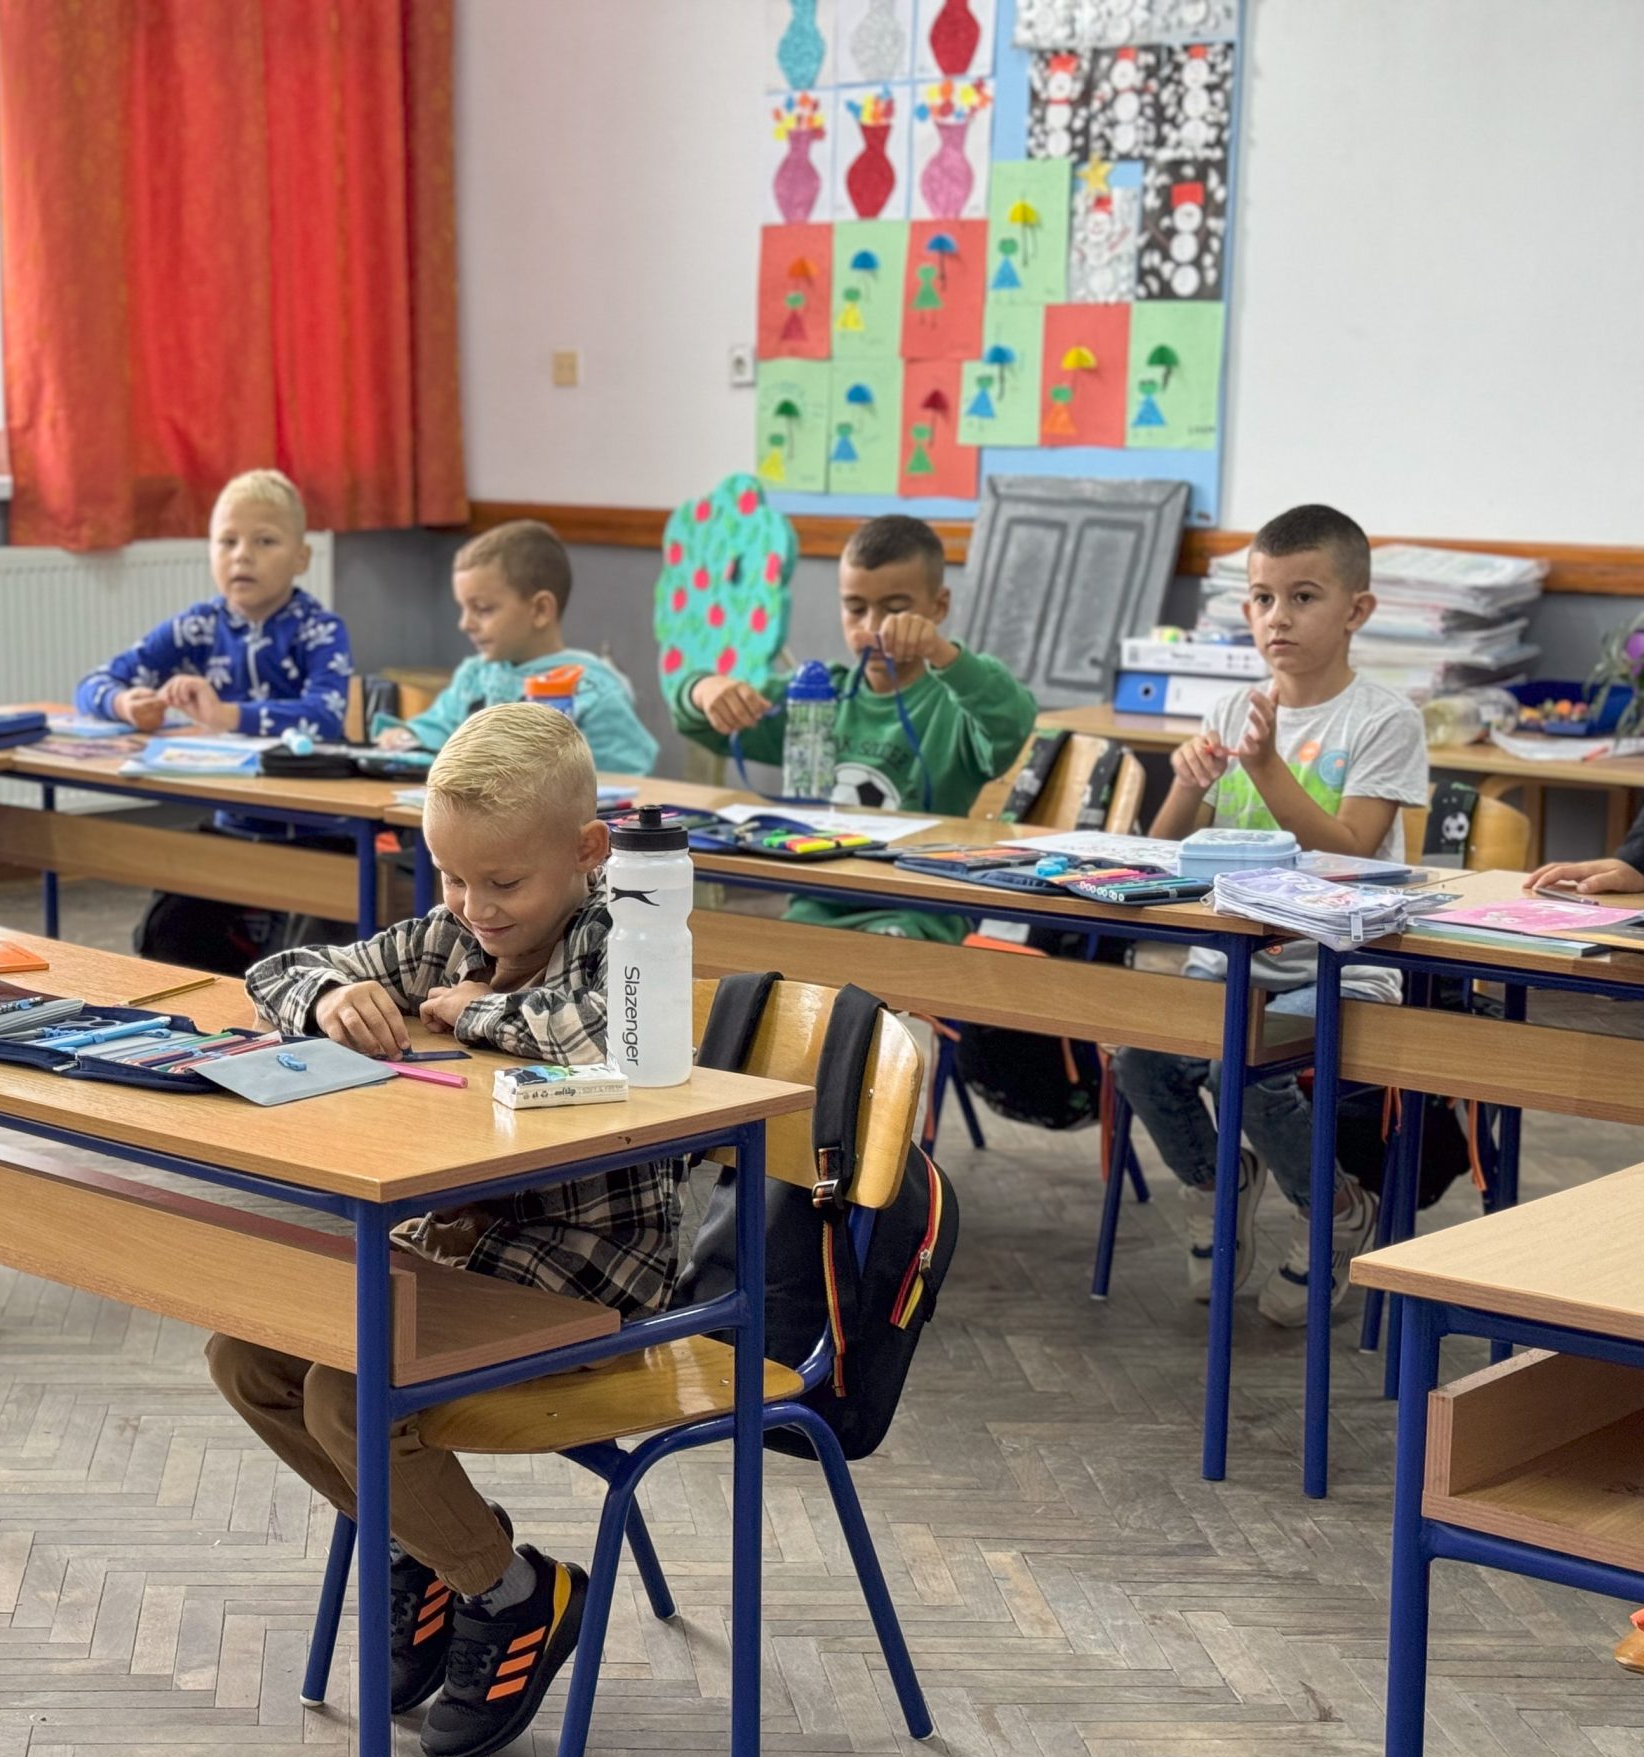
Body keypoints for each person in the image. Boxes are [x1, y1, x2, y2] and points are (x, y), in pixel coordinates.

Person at [217, 703, 682, 1757]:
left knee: (348, 1395)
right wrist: (332, 999)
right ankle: (430, 1551)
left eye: (502, 882)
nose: (474, 908)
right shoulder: (452, 934)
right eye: (451, 877)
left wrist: (466, 1011)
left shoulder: (626, 932)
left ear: (588, 852)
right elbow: (275, 974)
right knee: (245, 1355)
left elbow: (595, 1032)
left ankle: (512, 1595)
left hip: (591, 1280)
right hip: (466, 1254)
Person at [1114, 503, 1426, 1327]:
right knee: (1139, 1059)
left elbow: (1354, 847)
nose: (1276, 618)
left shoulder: (1384, 719)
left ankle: (1335, 1211)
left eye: (1303, 597)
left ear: (1357, 609)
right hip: (1231, 961)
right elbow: (1163, 854)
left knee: (1243, 1067)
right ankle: (1219, 1184)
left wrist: (1267, 768)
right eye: (1261, 598)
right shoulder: (1233, 713)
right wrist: (1186, 782)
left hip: (1341, 968)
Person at [670, 513, 1036, 940]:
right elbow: (700, 724)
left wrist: (942, 652)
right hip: (816, 905)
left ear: (938, 606)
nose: (872, 628)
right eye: (855, 608)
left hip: (920, 912)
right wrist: (705, 690)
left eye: (896, 610)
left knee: (878, 962)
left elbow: (1012, 719)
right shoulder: (817, 695)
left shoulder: (954, 705)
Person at [72, 469, 354, 974]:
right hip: (234, 826)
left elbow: (325, 718)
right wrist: (125, 704)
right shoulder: (198, 626)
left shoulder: (320, 630)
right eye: (227, 541)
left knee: (312, 963)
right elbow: (94, 682)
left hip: (317, 832)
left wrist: (229, 716)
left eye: (264, 541)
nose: (242, 555)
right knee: (166, 934)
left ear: (301, 557)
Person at [374, 519, 658, 775]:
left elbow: (626, 770)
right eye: (463, 609)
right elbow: (437, 727)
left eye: (483, 609)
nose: (465, 624)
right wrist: (407, 736)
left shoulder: (592, 689)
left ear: (540, 610)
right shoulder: (474, 677)